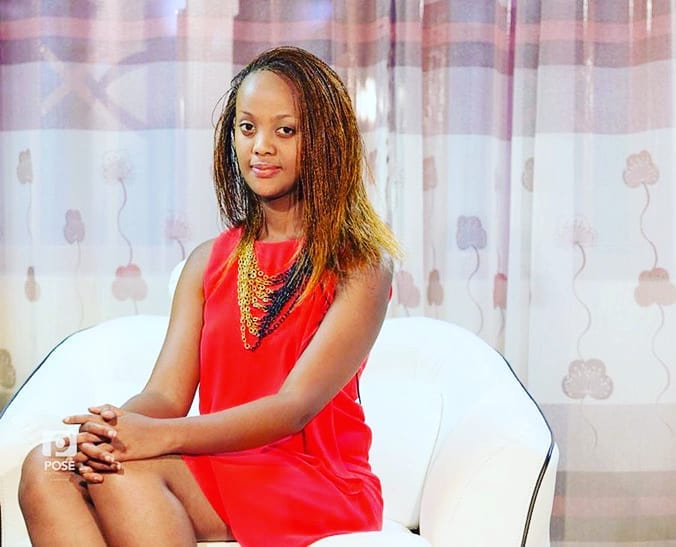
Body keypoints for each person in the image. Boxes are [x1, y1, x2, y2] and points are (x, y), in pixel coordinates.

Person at [18, 45, 400, 546]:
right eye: (247, 127)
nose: (261, 146)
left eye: (285, 130)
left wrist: (158, 438)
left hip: (313, 476)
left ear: (327, 139)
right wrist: (113, 429)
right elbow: (165, 396)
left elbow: (294, 407)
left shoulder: (361, 266)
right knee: (47, 464)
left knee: (124, 474)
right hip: (217, 460)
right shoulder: (207, 262)